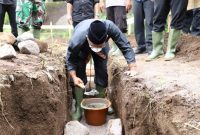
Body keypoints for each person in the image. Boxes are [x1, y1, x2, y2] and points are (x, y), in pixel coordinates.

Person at [66, 19, 137, 121]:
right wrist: (74, 76)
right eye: (95, 46)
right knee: (79, 69)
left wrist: (132, 67)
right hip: (82, 48)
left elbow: (125, 45)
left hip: (101, 46)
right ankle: (78, 106)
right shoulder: (78, 38)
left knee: (102, 69)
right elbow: (71, 58)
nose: (97, 48)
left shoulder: (110, 27)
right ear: (87, 38)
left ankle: (102, 101)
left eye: (99, 45)